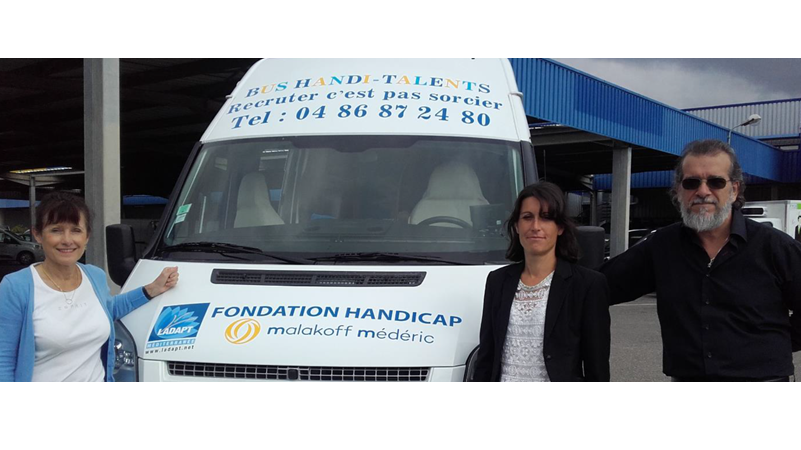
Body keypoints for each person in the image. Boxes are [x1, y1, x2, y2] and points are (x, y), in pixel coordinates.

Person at [601, 139, 801, 382]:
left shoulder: (775, 247)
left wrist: (773, 346)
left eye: (716, 182)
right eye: (691, 182)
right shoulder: (662, 246)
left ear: (734, 190)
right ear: (679, 191)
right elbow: (601, 286)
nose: (703, 191)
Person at [0, 192, 179, 382]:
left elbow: (109, 309)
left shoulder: (95, 276)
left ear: (87, 236)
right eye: (56, 230)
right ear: (37, 234)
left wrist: (151, 289)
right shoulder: (16, 287)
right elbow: (4, 360)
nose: (67, 240)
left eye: (76, 230)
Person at [472, 181, 611, 382]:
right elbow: (487, 355)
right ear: (517, 226)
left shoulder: (587, 285)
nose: (535, 226)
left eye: (546, 217)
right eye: (527, 217)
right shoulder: (497, 281)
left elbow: (596, 368)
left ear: (560, 227)